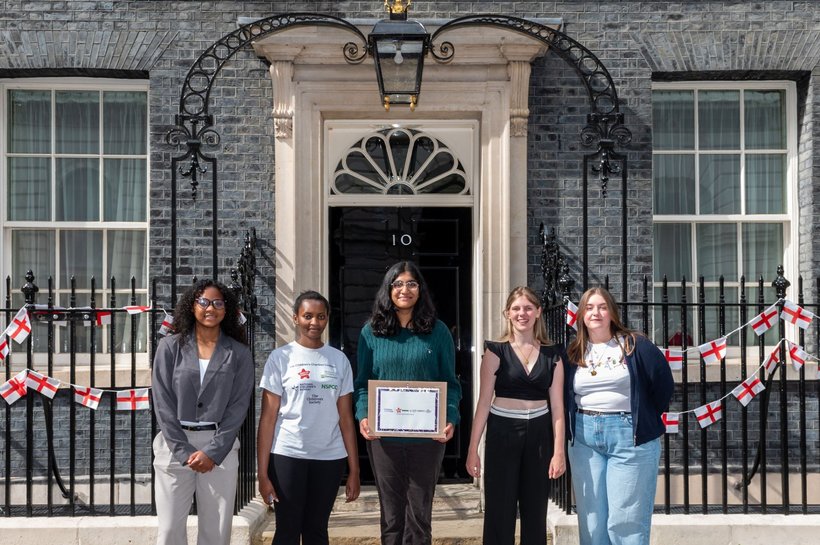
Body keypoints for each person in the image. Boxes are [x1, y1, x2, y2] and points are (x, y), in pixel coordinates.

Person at [355, 261, 462, 545]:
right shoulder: (370, 332)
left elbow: (451, 383)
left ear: (420, 289)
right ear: (388, 290)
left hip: (427, 439)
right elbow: (362, 383)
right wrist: (364, 415)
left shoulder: (438, 332)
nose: (405, 290)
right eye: (398, 284)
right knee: (391, 514)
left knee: (419, 515)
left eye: (411, 283)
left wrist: (450, 417)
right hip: (383, 438)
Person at [565, 287, 675, 545]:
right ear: (581, 315)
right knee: (592, 523)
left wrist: (642, 415)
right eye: (589, 308)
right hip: (583, 439)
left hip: (629, 436)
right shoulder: (573, 351)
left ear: (612, 313)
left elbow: (663, 385)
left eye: (602, 307)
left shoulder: (635, 345)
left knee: (626, 522)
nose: (596, 313)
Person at [152, 279, 255, 545]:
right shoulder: (169, 347)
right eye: (204, 302)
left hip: (220, 447)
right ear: (192, 306)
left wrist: (213, 452)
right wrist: (183, 451)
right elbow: (162, 403)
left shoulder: (239, 353)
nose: (211, 308)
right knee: (169, 531)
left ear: (227, 309)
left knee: (216, 533)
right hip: (174, 446)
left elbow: (238, 407)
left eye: (218, 303)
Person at [257, 290, 361, 545]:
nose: (314, 322)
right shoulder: (280, 358)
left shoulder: (339, 360)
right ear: (295, 318)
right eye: (308, 316)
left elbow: (346, 419)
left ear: (327, 319)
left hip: (330, 457)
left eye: (321, 316)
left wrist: (355, 470)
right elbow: (268, 419)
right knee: (287, 530)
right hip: (287, 454)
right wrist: (262, 473)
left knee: (317, 530)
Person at [466, 286, 566, 545]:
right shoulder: (495, 351)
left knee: (536, 510)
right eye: (516, 308)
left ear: (538, 312)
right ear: (507, 313)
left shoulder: (553, 354)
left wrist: (559, 452)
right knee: (500, 509)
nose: (522, 313)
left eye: (528, 308)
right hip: (503, 431)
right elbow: (483, 403)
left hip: (540, 434)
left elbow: (557, 407)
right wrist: (472, 449)